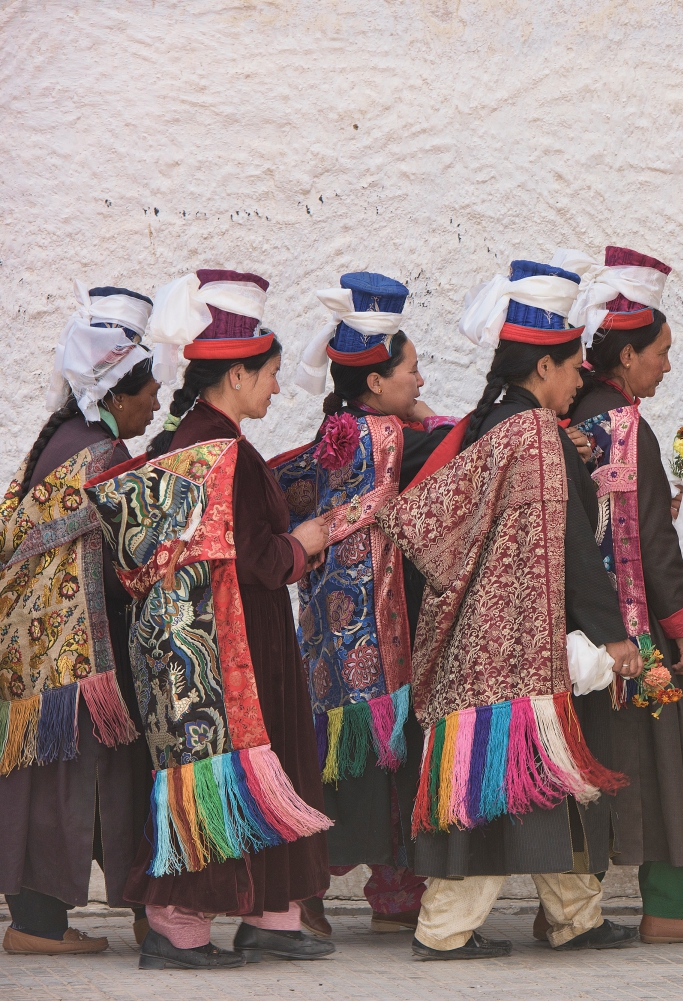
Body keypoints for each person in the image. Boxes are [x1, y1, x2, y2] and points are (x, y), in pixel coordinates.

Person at [377, 259, 641, 959]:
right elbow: (570, 553)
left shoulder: (487, 424)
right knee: (491, 794)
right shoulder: (534, 438)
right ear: (546, 363)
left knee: (546, 777)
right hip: (514, 652)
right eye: (574, 364)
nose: (581, 378)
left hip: (477, 642)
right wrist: (614, 637)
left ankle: (575, 915)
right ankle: (442, 929)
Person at [88, 268, 336, 970]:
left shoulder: (186, 439)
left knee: (246, 772)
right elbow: (255, 558)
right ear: (235, 376)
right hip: (232, 648)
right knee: (224, 775)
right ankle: (177, 923)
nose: (276, 389)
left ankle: (271, 913)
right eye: (270, 374)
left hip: (192, 648)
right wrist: (306, 544)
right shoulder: (220, 451)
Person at [569, 246, 683, 944]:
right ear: (627, 355)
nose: (667, 366)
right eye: (661, 352)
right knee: (676, 764)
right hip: (642, 641)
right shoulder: (627, 430)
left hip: (582, 638)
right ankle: (670, 909)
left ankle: (573, 908)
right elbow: (650, 542)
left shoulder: (569, 416)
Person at [273, 273, 458, 938]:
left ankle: (381, 890)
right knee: (370, 765)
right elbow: (455, 443)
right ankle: (320, 892)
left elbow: (286, 480)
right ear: (376, 381)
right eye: (411, 368)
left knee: (347, 760)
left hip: (329, 625)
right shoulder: (380, 435)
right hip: (372, 638)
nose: (419, 378)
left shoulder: (339, 429)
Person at [1, 283, 161, 955]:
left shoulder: (66, 438)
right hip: (74, 665)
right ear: (116, 394)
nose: (156, 402)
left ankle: (39, 921)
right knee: (82, 784)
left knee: (52, 786)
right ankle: (40, 927)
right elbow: (123, 563)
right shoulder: (99, 457)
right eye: (148, 389)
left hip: (37, 661)